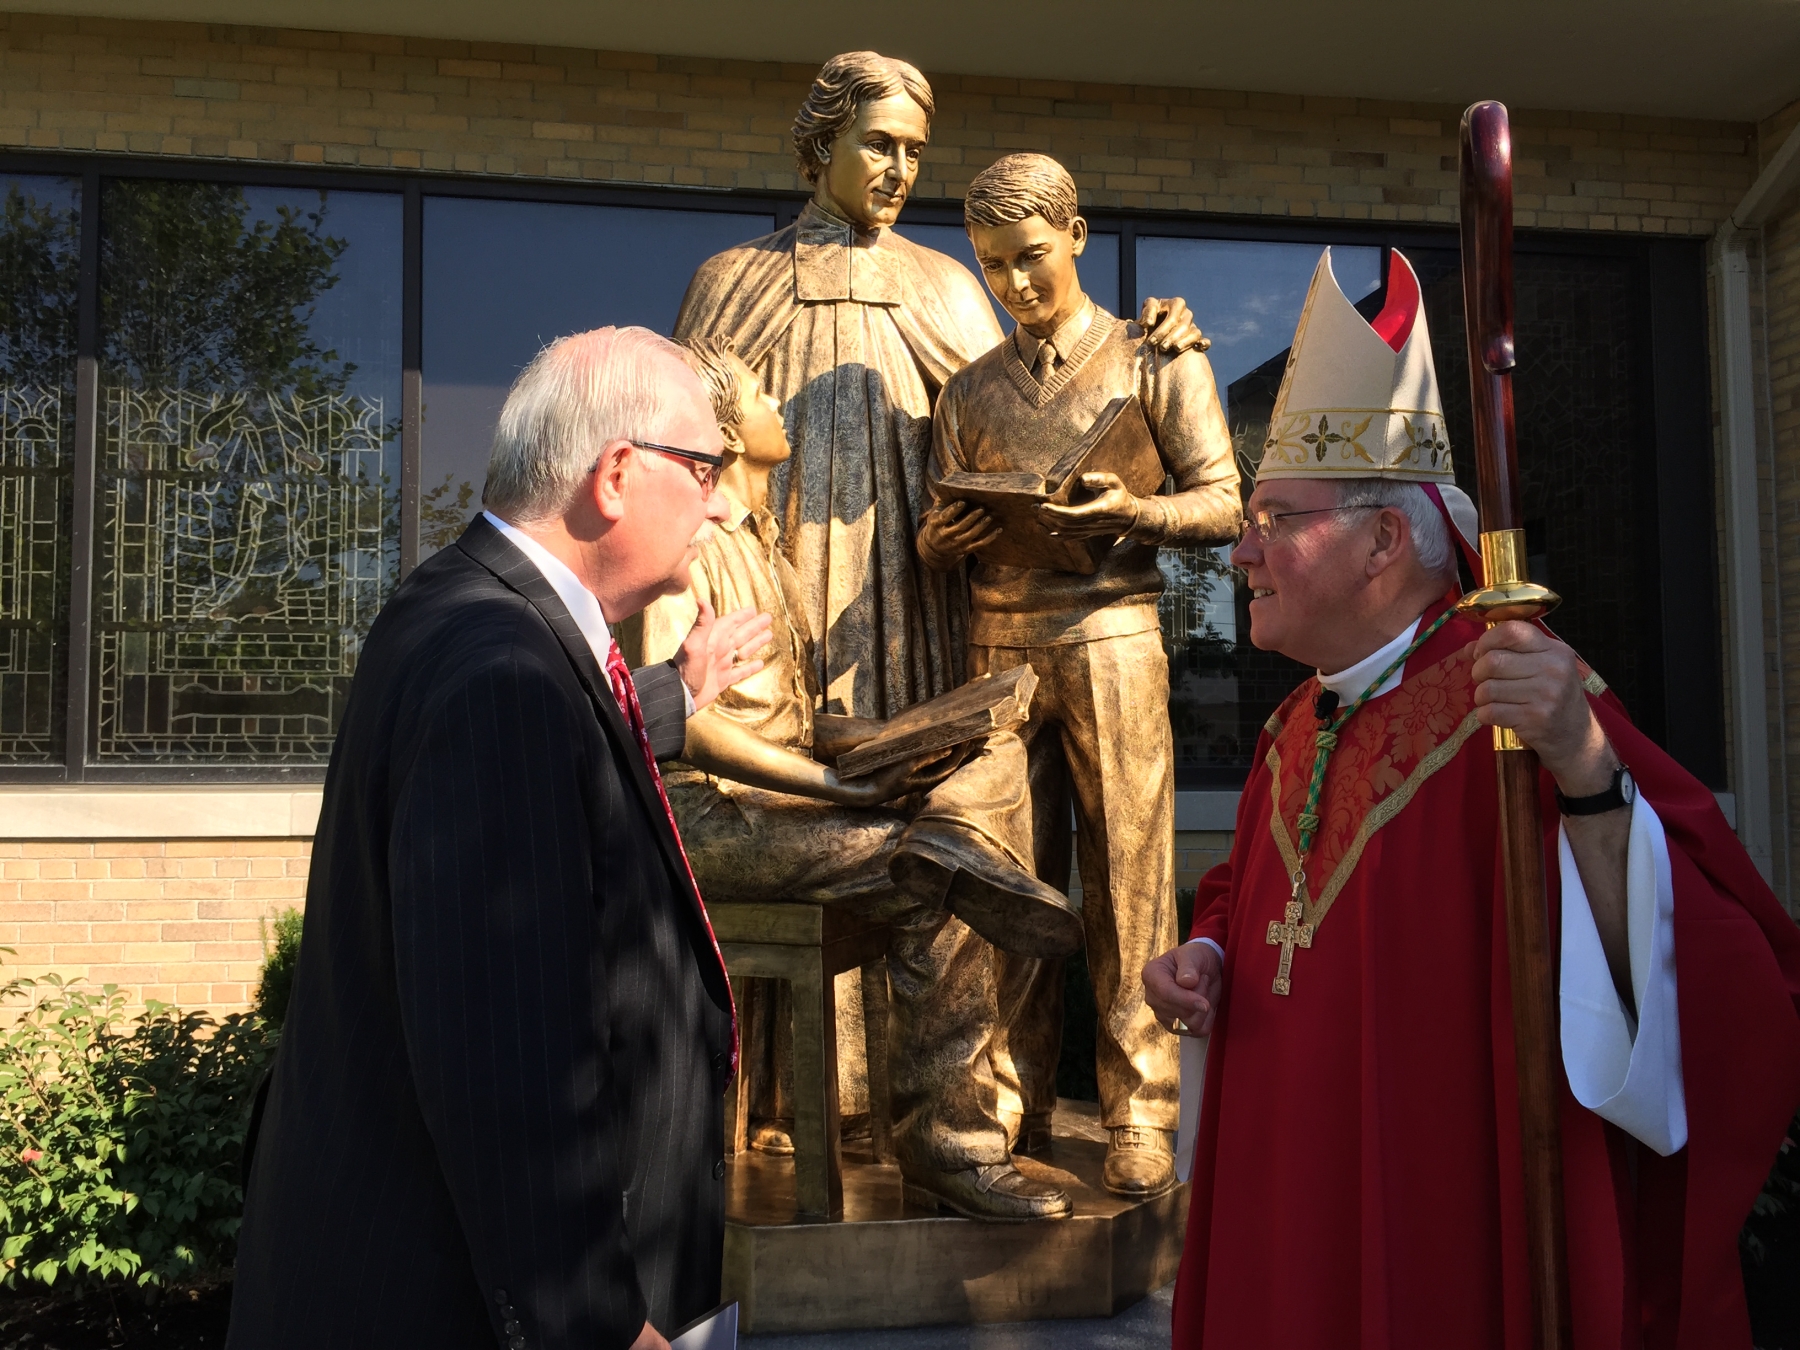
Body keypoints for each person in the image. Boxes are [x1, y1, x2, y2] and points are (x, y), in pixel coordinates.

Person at [1142, 248, 1800, 1347]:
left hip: (1440, 1234)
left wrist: (1585, 766)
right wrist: (1208, 955)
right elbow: (1251, 895)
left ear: (1384, 542)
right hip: (1283, 1214)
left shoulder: (1516, 703)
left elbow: (1717, 971)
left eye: (1275, 519)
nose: (1240, 551)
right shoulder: (1288, 729)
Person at [673, 49, 1209, 1132]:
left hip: (915, 613)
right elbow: (692, 446)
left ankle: (940, 1103)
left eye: (917, 150)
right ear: (823, 142)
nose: (900, 168)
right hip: (767, 597)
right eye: (881, 142)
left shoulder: (947, 285)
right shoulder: (732, 280)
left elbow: (1029, 407)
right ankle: (785, 1101)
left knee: (970, 838)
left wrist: (1158, 342)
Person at [228, 327, 773, 1350]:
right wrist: (599, 1324)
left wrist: (678, 692)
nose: (725, 503)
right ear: (616, 474)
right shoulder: (502, 680)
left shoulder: (465, 608)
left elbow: (565, 739)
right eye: (705, 468)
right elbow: (506, 1069)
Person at [632, 336, 1081, 1219]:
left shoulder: (766, 549)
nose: (779, 405)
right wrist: (833, 789)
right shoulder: (682, 551)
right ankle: (947, 1147)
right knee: (936, 879)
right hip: (713, 818)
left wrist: (903, 738)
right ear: (727, 424)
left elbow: (788, 719)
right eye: (763, 390)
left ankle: (963, 838)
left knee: (987, 747)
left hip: (787, 792)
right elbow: (683, 722)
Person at [917, 153, 1242, 1200]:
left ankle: (1141, 1109)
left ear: (1080, 235)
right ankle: (1000, 1110)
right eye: (994, 262)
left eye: (1033, 257)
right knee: (1002, 882)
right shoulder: (965, 390)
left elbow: (1226, 504)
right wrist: (943, 538)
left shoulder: (1156, 359)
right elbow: (936, 530)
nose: (1015, 282)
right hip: (997, 645)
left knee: (1131, 873)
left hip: (1112, 633)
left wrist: (1137, 515)